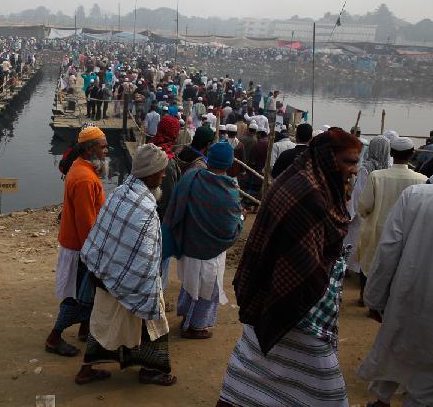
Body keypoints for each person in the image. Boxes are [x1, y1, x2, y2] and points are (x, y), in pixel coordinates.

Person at [216, 129, 362, 407]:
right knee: (322, 386)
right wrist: (308, 294)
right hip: (296, 310)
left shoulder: (309, 182)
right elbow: (301, 267)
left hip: (281, 301)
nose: (354, 170)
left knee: (254, 367)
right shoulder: (309, 195)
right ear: (328, 158)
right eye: (348, 162)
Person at [75, 143, 176, 386]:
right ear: (149, 173)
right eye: (160, 171)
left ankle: (87, 370)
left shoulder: (120, 192)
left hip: (105, 273)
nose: (163, 175)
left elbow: (103, 235)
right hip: (130, 279)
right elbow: (146, 257)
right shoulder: (145, 208)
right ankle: (151, 370)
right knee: (153, 319)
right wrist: (146, 288)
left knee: (103, 324)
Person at [357, 183, 433, 407]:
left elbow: (388, 250)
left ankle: (381, 400)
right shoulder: (416, 194)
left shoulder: (416, 195)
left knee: (395, 346)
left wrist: (374, 299)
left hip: (408, 296)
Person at [163, 142, 243, 339]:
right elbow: (230, 228)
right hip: (211, 252)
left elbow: (175, 208)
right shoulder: (230, 191)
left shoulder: (191, 178)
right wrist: (240, 220)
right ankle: (196, 327)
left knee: (190, 284)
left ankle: (186, 318)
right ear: (229, 163)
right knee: (208, 289)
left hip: (188, 246)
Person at [45, 126, 108, 357]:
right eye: (102, 146)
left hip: (77, 243)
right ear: (90, 149)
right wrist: (93, 253)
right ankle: (54, 338)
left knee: (88, 293)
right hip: (80, 247)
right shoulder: (84, 179)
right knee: (77, 297)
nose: (106, 150)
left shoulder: (81, 168)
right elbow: (86, 222)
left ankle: (85, 329)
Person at [356, 137, 426, 295]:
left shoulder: (376, 176)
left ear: (392, 153)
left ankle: (365, 295)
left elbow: (364, 206)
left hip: (376, 229)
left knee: (370, 262)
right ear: (412, 154)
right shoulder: (422, 179)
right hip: (407, 231)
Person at [342, 135, 389, 291]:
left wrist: (353, 212)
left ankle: (352, 271)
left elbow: (359, 194)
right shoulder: (388, 167)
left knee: (356, 242)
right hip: (382, 212)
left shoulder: (366, 168)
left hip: (364, 213)